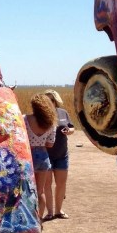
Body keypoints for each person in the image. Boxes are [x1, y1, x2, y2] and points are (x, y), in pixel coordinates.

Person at [44, 89, 76, 220]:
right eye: (46, 99)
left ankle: (58, 210)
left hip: (62, 154)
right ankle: (50, 212)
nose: (49, 101)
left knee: (61, 184)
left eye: (51, 99)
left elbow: (72, 127)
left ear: (56, 100)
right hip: (46, 154)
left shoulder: (63, 113)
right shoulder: (42, 114)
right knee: (47, 184)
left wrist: (69, 131)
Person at [26, 92, 57, 221]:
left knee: (27, 191)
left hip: (28, 156)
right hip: (43, 157)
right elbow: (50, 144)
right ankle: (39, 220)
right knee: (40, 191)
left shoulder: (25, 119)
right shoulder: (51, 123)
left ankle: (28, 220)